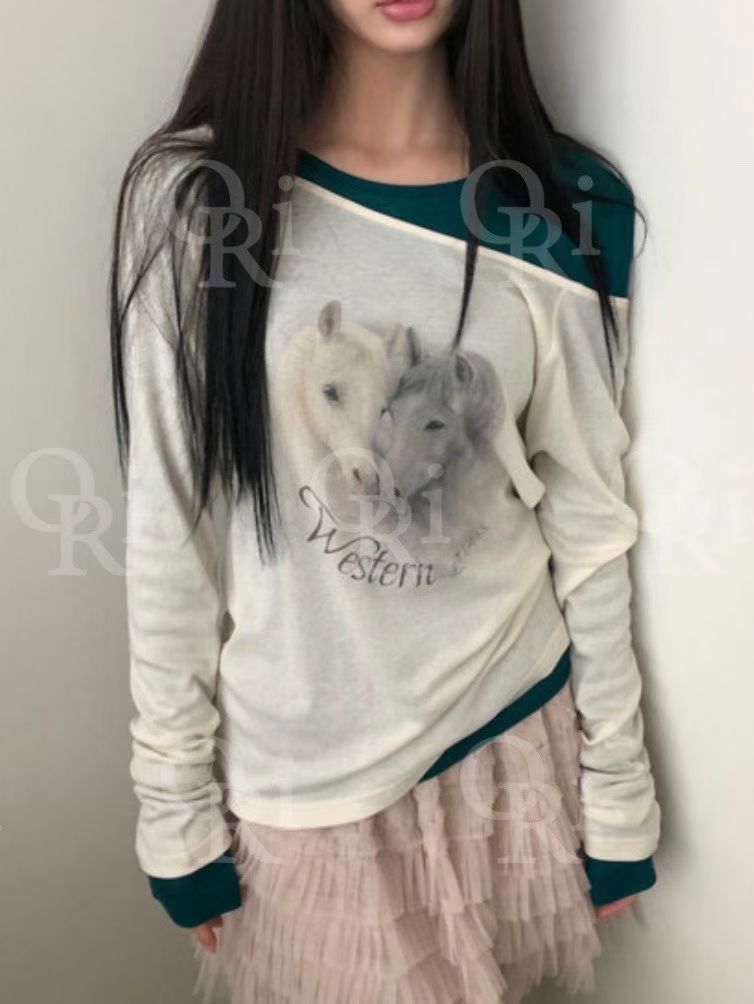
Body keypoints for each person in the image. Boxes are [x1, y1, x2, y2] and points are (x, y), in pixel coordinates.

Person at [110, 1, 662, 1001]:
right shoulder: (198, 200)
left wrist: (618, 791)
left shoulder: (563, 206)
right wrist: (173, 807)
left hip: (510, 738)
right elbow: (169, 526)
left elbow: (587, 519)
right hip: (305, 770)